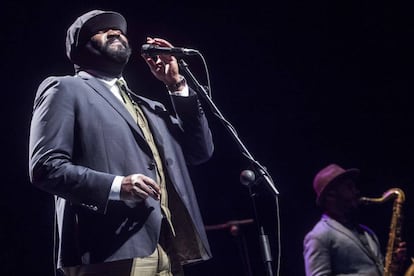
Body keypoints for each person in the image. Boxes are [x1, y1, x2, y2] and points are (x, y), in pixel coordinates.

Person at [28, 9, 214, 276]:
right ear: (79, 50)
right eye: (100, 30)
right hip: (107, 249)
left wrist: (176, 85)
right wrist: (117, 186)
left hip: (165, 248)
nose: (115, 31)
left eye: (119, 30)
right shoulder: (64, 89)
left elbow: (200, 151)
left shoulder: (151, 107)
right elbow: (46, 167)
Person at [303, 163, 406, 276]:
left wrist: (395, 265)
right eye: (349, 187)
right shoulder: (319, 236)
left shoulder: (367, 232)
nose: (356, 191)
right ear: (331, 195)